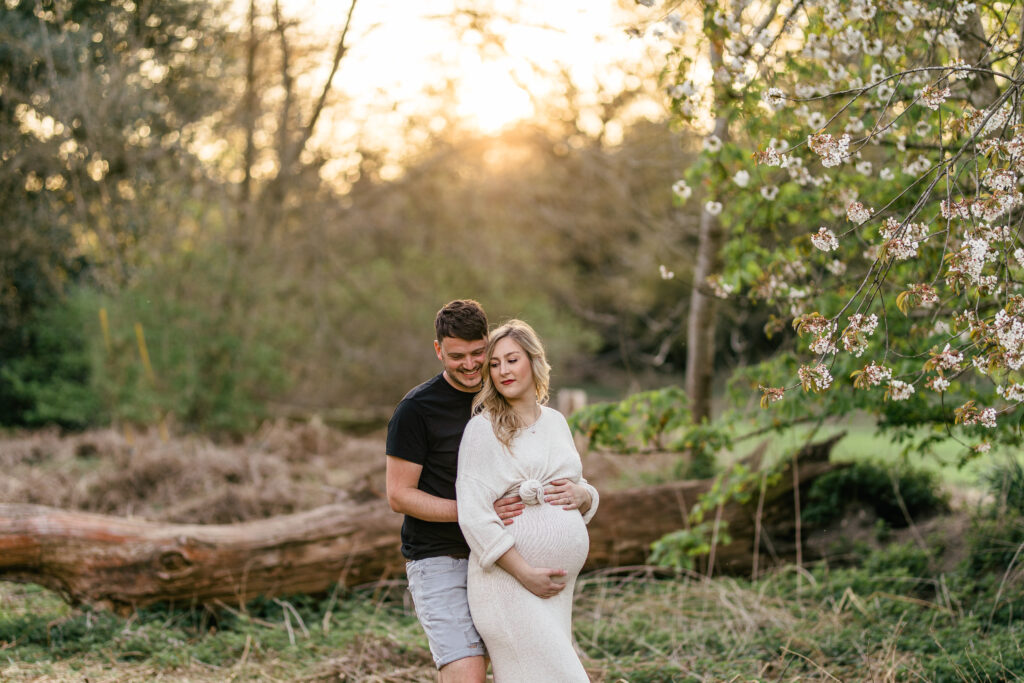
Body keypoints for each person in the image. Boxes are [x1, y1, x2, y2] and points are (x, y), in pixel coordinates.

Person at [385, 299, 524, 682]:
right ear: (438, 350)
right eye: (456, 355)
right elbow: (399, 495)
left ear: (490, 344)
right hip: (439, 556)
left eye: (478, 353)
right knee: (467, 673)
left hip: (502, 552)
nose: (468, 364)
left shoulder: (504, 399)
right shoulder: (416, 409)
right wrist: (477, 512)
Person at [456, 319, 599, 682]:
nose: (503, 370)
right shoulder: (483, 429)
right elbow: (473, 515)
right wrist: (524, 572)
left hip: (552, 593)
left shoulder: (556, 422)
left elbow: (578, 485)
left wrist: (585, 494)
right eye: (495, 363)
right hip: (508, 586)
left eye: (512, 359)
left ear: (533, 361)